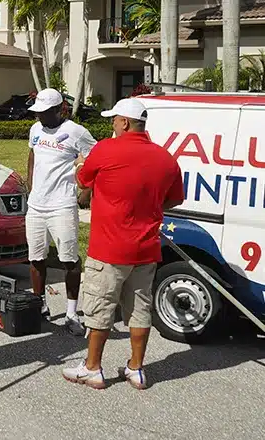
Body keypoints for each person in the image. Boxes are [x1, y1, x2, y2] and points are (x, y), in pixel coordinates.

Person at [61, 98, 184, 390]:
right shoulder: (165, 158)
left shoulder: (105, 149)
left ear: (125, 123)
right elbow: (176, 198)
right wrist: (151, 208)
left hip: (109, 249)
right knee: (140, 310)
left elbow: (83, 181)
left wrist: (81, 164)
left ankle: (92, 368)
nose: (112, 123)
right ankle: (136, 369)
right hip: (146, 249)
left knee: (100, 309)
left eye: (114, 119)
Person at [25, 88, 97, 336]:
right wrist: (30, 184)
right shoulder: (35, 129)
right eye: (37, 112)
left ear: (59, 110)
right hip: (36, 205)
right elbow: (32, 155)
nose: (39, 117)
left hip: (62, 206)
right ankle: (39, 305)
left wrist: (86, 190)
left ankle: (71, 313)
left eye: (44, 113)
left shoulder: (77, 132)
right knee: (36, 258)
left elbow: (96, 159)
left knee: (69, 260)